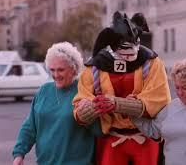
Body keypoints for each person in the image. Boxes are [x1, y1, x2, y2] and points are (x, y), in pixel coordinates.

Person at [73, 11, 171, 165]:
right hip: (111, 139)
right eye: (126, 47)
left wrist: (117, 104)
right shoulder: (94, 67)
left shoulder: (151, 62)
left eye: (136, 44)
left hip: (145, 137)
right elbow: (79, 113)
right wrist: (93, 107)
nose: (132, 52)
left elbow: (159, 102)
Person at [12, 42, 102, 165]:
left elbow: (99, 131)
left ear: (73, 69)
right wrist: (19, 154)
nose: (55, 75)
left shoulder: (84, 92)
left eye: (60, 70)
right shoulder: (43, 91)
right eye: (52, 70)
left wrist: (89, 115)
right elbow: (30, 127)